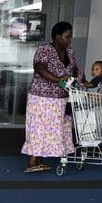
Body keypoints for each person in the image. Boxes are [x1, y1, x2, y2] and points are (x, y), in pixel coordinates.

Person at [22, 21, 84, 173]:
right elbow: (39, 68)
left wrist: (82, 81)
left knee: (54, 128)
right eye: (67, 36)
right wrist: (58, 79)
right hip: (41, 97)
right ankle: (32, 161)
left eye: (70, 37)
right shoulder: (45, 50)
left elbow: (75, 70)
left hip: (61, 98)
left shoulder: (70, 52)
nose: (69, 40)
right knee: (38, 127)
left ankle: (39, 160)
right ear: (57, 36)